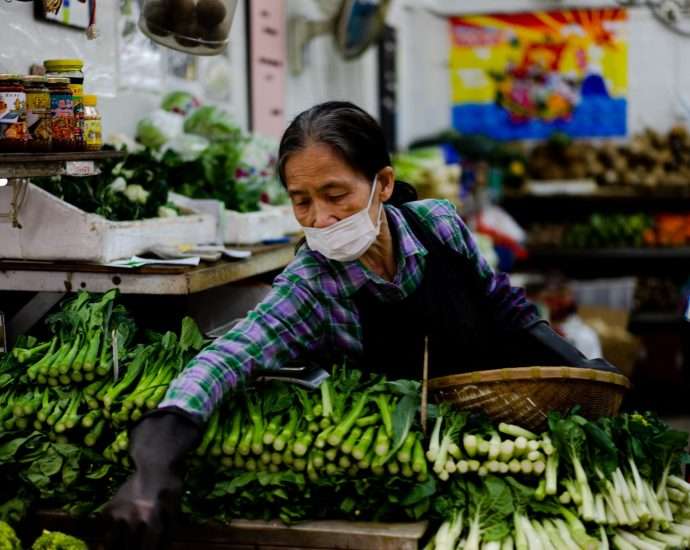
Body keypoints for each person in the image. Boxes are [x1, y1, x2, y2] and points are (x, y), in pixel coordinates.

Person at [105, 101, 618, 548]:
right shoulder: (312, 283)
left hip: (501, 448)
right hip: (406, 474)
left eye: (336, 194)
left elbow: (502, 304)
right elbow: (232, 353)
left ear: (384, 184)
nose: (320, 219)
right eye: (301, 200)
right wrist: (157, 457)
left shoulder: (438, 223)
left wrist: (580, 367)